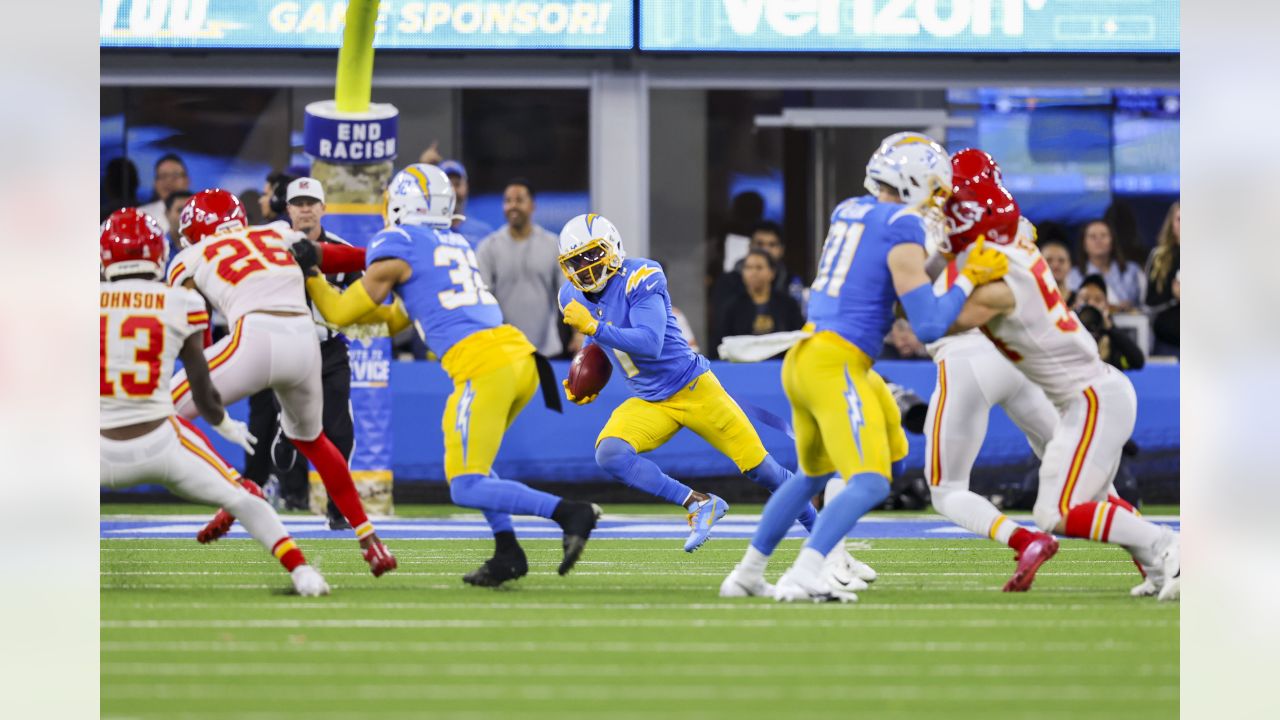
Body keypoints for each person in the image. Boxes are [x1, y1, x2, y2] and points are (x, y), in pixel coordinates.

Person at [720, 132, 1011, 602]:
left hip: (807, 356)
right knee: (872, 480)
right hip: (837, 363)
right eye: (936, 187)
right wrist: (971, 276)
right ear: (914, 181)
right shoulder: (903, 225)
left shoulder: (850, 210)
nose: (938, 199)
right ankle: (807, 573)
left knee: (812, 476)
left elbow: (882, 270)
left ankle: (748, 573)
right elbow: (930, 322)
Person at [303, 163, 601, 587]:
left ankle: (569, 512)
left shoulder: (399, 243)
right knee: (475, 465)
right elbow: (394, 320)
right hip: (517, 359)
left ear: (401, 205)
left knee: (465, 484)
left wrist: (311, 273)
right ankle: (507, 551)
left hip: (485, 367)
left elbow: (335, 313)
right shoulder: (452, 243)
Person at [943, 162, 1180, 602]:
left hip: (1091, 397)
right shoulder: (1015, 245)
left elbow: (934, 321)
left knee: (1057, 512)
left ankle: (1169, 547)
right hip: (1084, 398)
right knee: (1091, 499)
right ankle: (1160, 563)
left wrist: (934, 272)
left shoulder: (999, 278)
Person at [166, 189, 398, 577]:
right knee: (315, 441)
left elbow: (196, 333)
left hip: (254, 336)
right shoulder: (276, 232)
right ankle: (370, 540)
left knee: (160, 414)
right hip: (304, 343)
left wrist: (206, 380)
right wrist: (377, 257)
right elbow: (333, 257)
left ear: (193, 231)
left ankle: (238, 488)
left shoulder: (188, 257)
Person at [555, 213, 818, 554]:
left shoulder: (642, 275)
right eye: (576, 260)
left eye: (592, 255)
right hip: (650, 400)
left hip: (693, 389)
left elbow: (649, 341)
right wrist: (585, 375)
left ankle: (825, 538)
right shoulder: (570, 295)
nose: (585, 267)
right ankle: (698, 503)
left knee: (763, 471)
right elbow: (600, 337)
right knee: (610, 454)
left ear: (613, 248)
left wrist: (593, 330)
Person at [99, 208, 328, 596]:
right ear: (157, 254)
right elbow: (201, 387)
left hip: (98, 446)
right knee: (243, 497)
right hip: (161, 442)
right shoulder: (179, 303)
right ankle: (302, 572)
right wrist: (223, 424)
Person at [919, 148, 1072, 592]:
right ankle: (1155, 550)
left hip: (964, 356)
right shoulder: (1017, 223)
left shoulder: (936, 221)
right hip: (1018, 354)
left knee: (946, 489)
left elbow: (918, 285)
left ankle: (1023, 539)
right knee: (1072, 464)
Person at [244, 177, 356, 528]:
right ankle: (287, 432)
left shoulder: (341, 249)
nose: (306, 209)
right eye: (299, 203)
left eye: (312, 202)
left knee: (340, 431)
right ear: (288, 208)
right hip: (288, 347)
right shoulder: (269, 247)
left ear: (323, 207)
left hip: (328, 347)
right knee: (298, 432)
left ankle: (338, 507)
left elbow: (363, 291)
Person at [476, 180, 564, 357]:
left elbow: (568, 296)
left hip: (547, 350)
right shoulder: (488, 247)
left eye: (519, 200)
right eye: (508, 201)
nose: (512, 206)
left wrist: (578, 334)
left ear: (532, 205)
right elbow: (481, 299)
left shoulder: (553, 245)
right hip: (503, 349)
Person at [717, 249, 804, 343]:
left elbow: (799, 337)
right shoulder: (732, 306)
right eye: (748, 267)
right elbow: (721, 342)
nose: (753, 272)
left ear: (772, 272)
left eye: (759, 267)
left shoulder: (788, 305)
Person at [1067, 219, 1145, 311]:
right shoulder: (1073, 275)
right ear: (1084, 244)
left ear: (1112, 241)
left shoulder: (1133, 270)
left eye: (1103, 235)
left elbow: (1145, 303)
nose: (1098, 240)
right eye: (1092, 236)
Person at [1073, 275, 1146, 371]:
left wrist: (1110, 328)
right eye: (1085, 299)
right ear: (1075, 304)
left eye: (1098, 300)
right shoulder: (1068, 333)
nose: (1091, 304)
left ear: (1106, 306)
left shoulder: (1112, 338)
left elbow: (1138, 361)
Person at [439, 160, 494, 249]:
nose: (453, 191)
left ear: (466, 187)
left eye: (457, 184)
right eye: (447, 185)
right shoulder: (428, 231)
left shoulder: (483, 233)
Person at [137, 154, 190, 234]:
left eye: (175, 175)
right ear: (155, 183)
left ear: (187, 180)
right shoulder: (141, 216)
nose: (169, 181)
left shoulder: (200, 212)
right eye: (163, 176)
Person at [1144, 201, 1180, 312]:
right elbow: (1150, 301)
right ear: (1171, 224)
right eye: (1179, 219)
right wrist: (1174, 296)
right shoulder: (1159, 257)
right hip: (1168, 320)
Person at [1038, 237, 1073, 301]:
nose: (1055, 265)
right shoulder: (1032, 300)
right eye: (1049, 260)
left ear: (1070, 265)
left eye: (1061, 260)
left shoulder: (1079, 300)